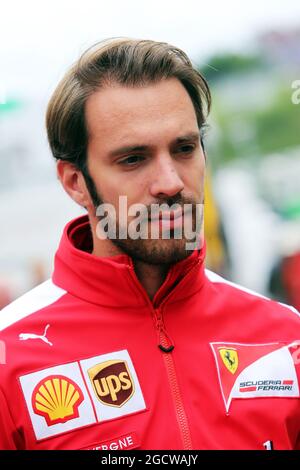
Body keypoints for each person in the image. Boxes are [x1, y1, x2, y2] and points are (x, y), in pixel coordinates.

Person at [0, 38, 300, 451]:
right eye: (133, 159)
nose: (171, 183)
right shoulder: (9, 358)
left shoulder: (285, 334)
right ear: (74, 181)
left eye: (184, 148)